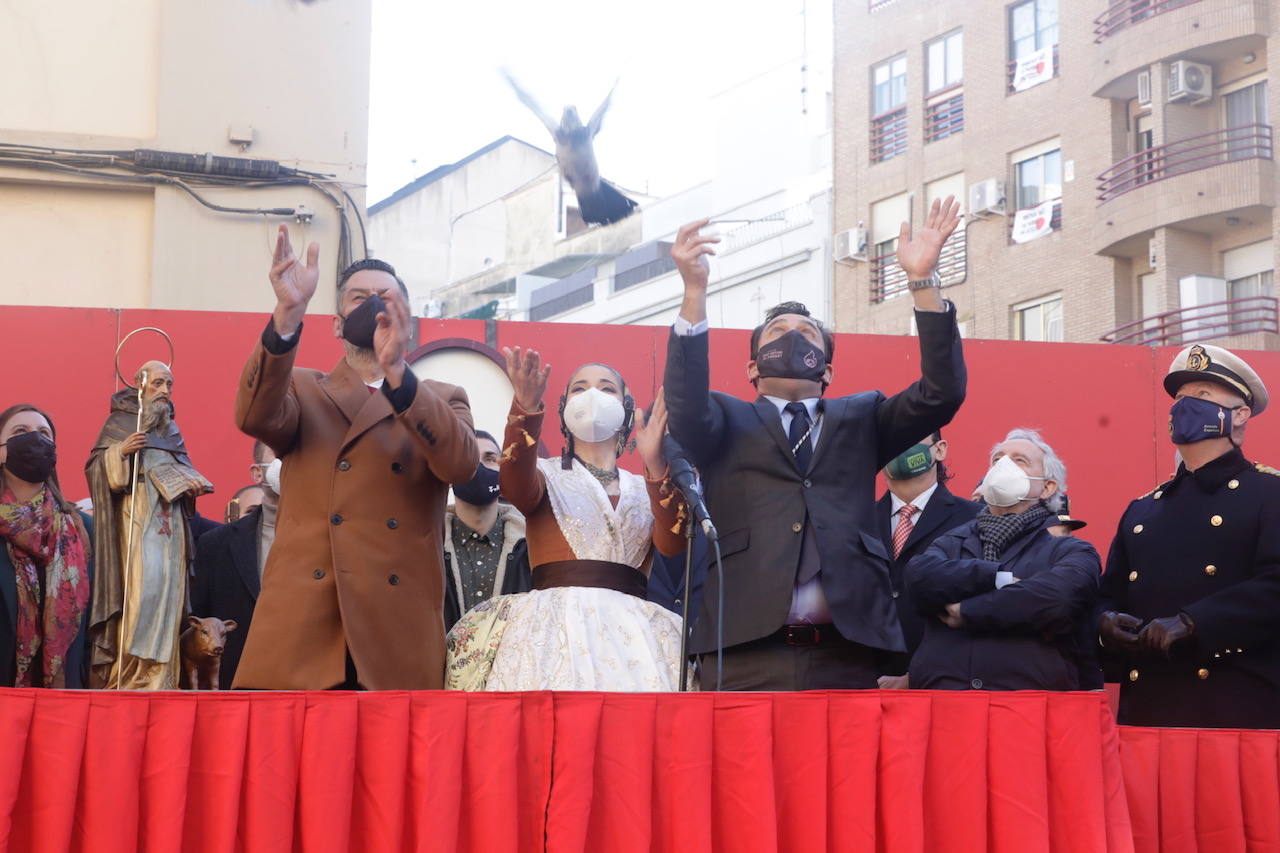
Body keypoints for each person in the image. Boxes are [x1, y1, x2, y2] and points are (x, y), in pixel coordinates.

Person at [663, 197, 967, 690]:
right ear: (752, 367)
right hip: (744, 649)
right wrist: (694, 292)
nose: (793, 338)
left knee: (846, 770)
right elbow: (684, 401)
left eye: (807, 333)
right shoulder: (723, 418)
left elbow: (942, 393)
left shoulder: (863, 415)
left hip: (848, 651)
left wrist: (923, 283)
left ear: (826, 368)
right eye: (778, 332)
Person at [233, 227, 476, 690]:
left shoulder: (440, 398)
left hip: (395, 633)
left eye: (384, 296)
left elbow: (461, 466)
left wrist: (399, 376)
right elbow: (254, 414)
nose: (371, 305)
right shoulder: (304, 388)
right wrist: (287, 314)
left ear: (409, 319)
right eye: (357, 297)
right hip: (304, 629)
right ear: (338, 323)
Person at [445, 351, 686, 691]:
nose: (592, 396)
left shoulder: (644, 483)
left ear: (627, 409)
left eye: (606, 389)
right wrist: (525, 408)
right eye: (579, 388)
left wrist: (657, 466)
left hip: (638, 635)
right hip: (553, 630)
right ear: (562, 408)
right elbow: (515, 487)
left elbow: (672, 543)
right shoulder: (545, 471)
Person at [1098, 344, 1280, 728]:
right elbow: (1109, 593)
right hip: (1148, 707)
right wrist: (1104, 626)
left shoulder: (1269, 493)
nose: (1184, 406)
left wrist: (1196, 622)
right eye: (1179, 398)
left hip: (1233, 706)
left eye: (1202, 395)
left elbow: (1275, 585)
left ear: (1241, 414)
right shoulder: (1142, 509)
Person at [906, 429, 1101, 690]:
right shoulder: (952, 541)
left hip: (1027, 708)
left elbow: (1055, 600)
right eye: (997, 460)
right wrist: (998, 579)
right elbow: (920, 578)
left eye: (1019, 460)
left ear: (1047, 487)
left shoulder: (1072, 551)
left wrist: (967, 611)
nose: (1003, 465)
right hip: (947, 705)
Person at [86, 361, 213, 689]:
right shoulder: (119, 422)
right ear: (140, 386)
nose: (165, 392)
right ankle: (129, 674)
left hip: (170, 525)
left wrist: (191, 488)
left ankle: (161, 676)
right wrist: (120, 452)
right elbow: (97, 470)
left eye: (169, 384)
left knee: (168, 594)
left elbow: (184, 467)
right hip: (136, 520)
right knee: (143, 591)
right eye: (158, 383)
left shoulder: (172, 430)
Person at [875, 430, 979, 687]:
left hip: (943, 683)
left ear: (939, 450)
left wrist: (920, 675)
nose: (898, 449)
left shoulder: (976, 519)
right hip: (866, 685)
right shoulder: (853, 521)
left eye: (909, 437)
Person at [0, 405, 94, 688]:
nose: (35, 439)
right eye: (20, 432)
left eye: (44, 433)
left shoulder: (83, 529)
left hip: (63, 699)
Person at [191, 441, 280, 688]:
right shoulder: (216, 544)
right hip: (237, 690)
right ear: (258, 472)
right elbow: (197, 624)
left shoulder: (333, 541)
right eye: (279, 455)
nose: (288, 463)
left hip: (316, 695)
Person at [443, 430, 531, 630]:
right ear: (449, 476)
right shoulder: (428, 548)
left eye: (490, 459)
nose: (479, 467)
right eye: (469, 459)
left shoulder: (531, 546)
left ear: (504, 472)